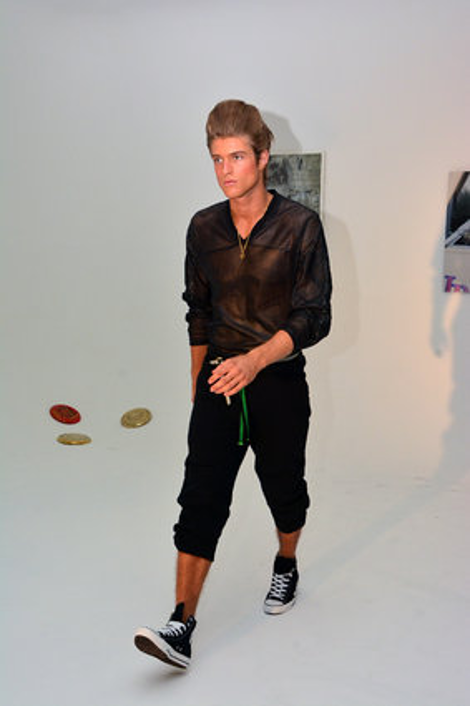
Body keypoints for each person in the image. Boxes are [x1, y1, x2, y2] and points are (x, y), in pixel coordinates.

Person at [134, 99, 332, 669]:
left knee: (284, 488)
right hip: (220, 380)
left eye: (237, 157)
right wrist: (199, 380)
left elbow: (315, 316)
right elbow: (197, 310)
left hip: (278, 380)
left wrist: (256, 360)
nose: (226, 170)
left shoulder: (300, 226)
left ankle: (286, 563)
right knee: (200, 496)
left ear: (263, 157)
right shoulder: (203, 227)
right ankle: (180, 624)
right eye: (217, 159)